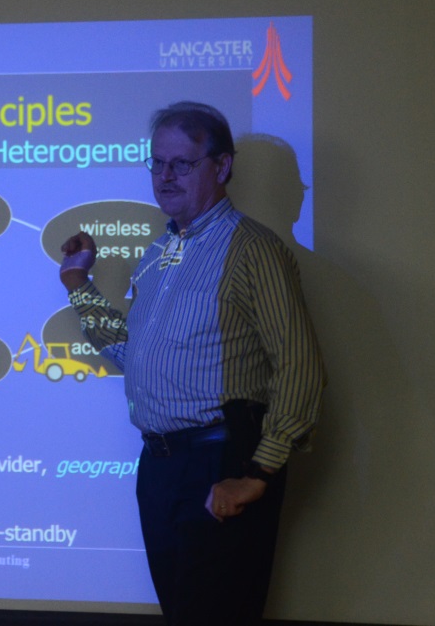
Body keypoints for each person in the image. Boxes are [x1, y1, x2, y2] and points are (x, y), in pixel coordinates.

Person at [58, 101, 325, 626]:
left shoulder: (253, 250)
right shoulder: (160, 251)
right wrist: (78, 284)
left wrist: (258, 473)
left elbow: (299, 364)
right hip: (160, 468)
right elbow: (134, 352)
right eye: (157, 163)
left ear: (222, 167)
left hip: (219, 462)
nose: (165, 177)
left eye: (182, 163)